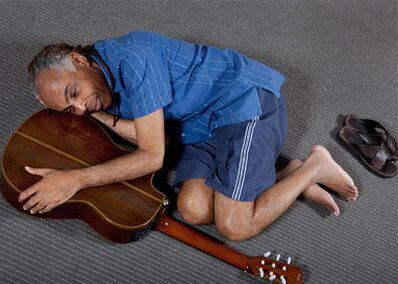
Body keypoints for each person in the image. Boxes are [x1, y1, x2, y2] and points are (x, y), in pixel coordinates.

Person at [19, 29, 358, 242]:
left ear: (79, 60)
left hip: (243, 103)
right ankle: (288, 173)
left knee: (235, 227)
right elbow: (158, 139)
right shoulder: (99, 86)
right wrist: (96, 110)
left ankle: (314, 165)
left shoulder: (134, 58)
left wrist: (74, 180)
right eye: (69, 109)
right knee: (193, 209)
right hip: (199, 127)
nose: (79, 106)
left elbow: (152, 156)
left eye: (74, 91)